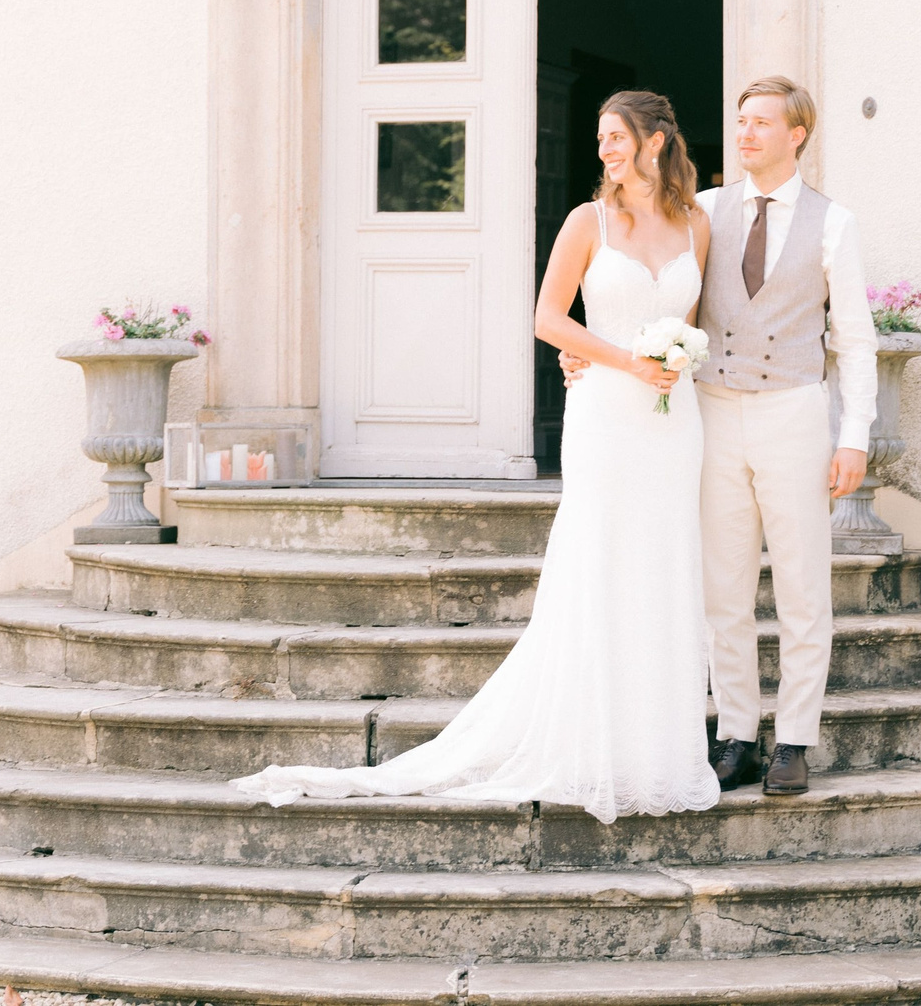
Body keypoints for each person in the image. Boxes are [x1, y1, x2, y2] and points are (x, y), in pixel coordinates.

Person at [231, 91, 721, 822]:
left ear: (655, 143)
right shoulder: (587, 222)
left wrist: (675, 361)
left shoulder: (697, 224)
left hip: (672, 422)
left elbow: (688, 321)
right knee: (601, 565)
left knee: (664, 567)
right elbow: (548, 319)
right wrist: (621, 359)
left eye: (616, 137)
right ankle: (589, 743)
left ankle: (655, 752)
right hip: (607, 418)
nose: (605, 150)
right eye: (599, 138)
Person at [563, 75, 874, 797]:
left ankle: (794, 737)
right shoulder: (699, 210)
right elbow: (651, 296)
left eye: (761, 123)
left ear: (797, 134)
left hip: (794, 411)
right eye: (740, 121)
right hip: (709, 414)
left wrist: (854, 433)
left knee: (801, 584)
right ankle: (736, 732)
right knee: (723, 587)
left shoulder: (835, 224)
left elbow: (855, 341)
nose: (745, 134)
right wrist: (585, 351)